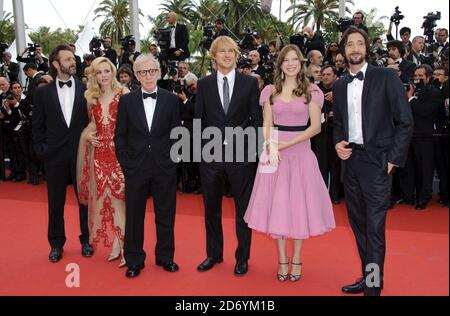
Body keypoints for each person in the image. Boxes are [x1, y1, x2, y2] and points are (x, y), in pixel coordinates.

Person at [244, 44, 335, 282]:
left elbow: (315, 127)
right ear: (280, 64)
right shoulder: (270, 91)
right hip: (274, 155)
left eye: (295, 59)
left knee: (298, 208)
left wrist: (284, 144)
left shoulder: (311, 91)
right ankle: (282, 258)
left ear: (301, 63)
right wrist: (271, 144)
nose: (291, 63)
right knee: (278, 208)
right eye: (287, 59)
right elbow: (266, 123)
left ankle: (297, 258)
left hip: (301, 156)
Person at [333, 28, 413, 296]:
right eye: (350, 44)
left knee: (375, 229)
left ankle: (373, 286)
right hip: (351, 162)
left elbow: (405, 121)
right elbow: (339, 124)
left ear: (366, 48)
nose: (355, 48)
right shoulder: (340, 84)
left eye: (359, 44)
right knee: (359, 226)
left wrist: (393, 159)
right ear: (344, 51)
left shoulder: (386, 77)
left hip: (378, 163)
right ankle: (368, 277)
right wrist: (338, 143)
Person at [195, 36, 262, 276]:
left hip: (241, 157)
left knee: (243, 209)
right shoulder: (203, 84)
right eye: (222, 51)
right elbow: (199, 121)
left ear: (236, 55)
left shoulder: (249, 83)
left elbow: (257, 120)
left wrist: (252, 152)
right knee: (211, 208)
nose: (227, 55)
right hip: (210, 157)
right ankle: (214, 254)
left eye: (231, 51)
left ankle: (242, 257)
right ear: (214, 56)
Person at [115, 54, 181, 278]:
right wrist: (127, 163)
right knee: (134, 216)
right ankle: (134, 259)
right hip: (136, 167)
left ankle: (165, 257)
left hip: (164, 167)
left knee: (166, 214)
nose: (148, 76)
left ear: (159, 72)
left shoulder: (172, 100)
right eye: (142, 72)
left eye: (152, 71)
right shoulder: (126, 101)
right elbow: (120, 136)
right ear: (136, 75)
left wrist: (173, 161)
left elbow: (177, 136)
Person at [32, 44, 95, 263]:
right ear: (56, 64)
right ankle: (56, 243)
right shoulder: (42, 93)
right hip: (54, 156)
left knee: (85, 200)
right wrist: (42, 150)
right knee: (55, 201)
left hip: (81, 154)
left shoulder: (86, 90)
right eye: (68, 59)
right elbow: (37, 126)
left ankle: (87, 240)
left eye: (73, 58)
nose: (73, 62)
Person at [77, 57, 129, 268]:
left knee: (120, 203)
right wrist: (87, 137)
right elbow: (92, 123)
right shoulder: (91, 97)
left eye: (107, 71)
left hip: (119, 156)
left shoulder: (124, 94)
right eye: (99, 72)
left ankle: (126, 248)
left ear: (113, 72)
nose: (104, 75)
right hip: (99, 155)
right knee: (107, 202)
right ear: (94, 75)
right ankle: (117, 245)